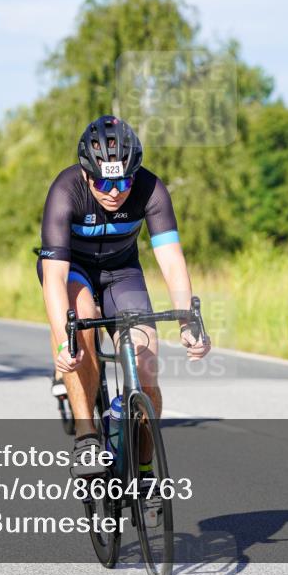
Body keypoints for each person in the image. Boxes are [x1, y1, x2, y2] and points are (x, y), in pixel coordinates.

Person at [38, 115, 211, 478]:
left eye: (123, 181)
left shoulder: (150, 189)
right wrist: (62, 341)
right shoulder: (66, 190)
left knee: (147, 364)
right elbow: (54, 276)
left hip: (122, 272)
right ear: (86, 174)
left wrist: (187, 321)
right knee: (80, 323)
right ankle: (86, 437)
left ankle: (144, 468)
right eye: (102, 181)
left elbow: (171, 259)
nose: (114, 191)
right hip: (74, 271)